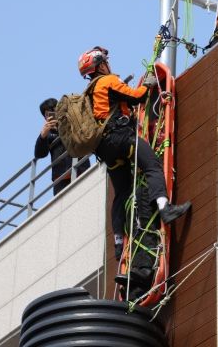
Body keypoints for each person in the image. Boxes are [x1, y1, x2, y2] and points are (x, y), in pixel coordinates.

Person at [77, 46, 191, 260]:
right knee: (152, 166)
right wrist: (147, 84)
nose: (108, 64)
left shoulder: (89, 94)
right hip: (121, 138)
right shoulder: (108, 81)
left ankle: (118, 242)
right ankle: (164, 208)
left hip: (105, 149)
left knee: (122, 193)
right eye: (105, 62)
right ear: (100, 66)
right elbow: (138, 96)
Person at [34, 98, 91, 196]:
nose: (51, 115)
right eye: (47, 114)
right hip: (60, 177)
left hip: (80, 169)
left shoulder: (72, 122)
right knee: (62, 203)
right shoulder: (48, 134)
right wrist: (42, 136)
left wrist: (64, 125)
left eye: (54, 111)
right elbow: (39, 154)